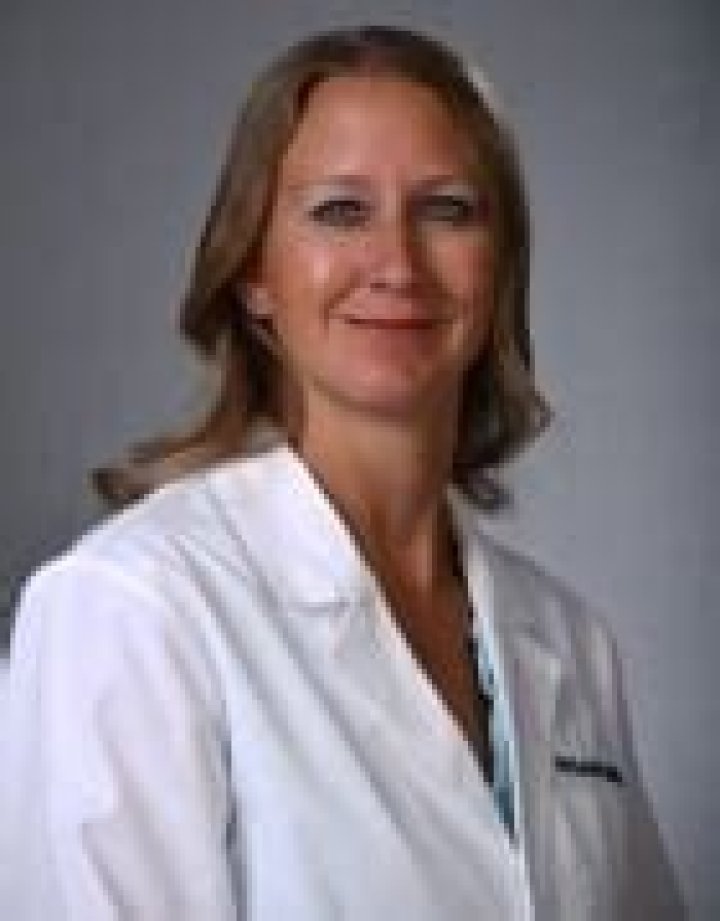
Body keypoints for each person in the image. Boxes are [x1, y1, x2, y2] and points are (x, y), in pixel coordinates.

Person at [1, 25, 684, 920]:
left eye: (447, 210)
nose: (397, 265)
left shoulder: (569, 640)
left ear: (499, 267)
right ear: (254, 271)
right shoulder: (132, 608)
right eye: (339, 211)